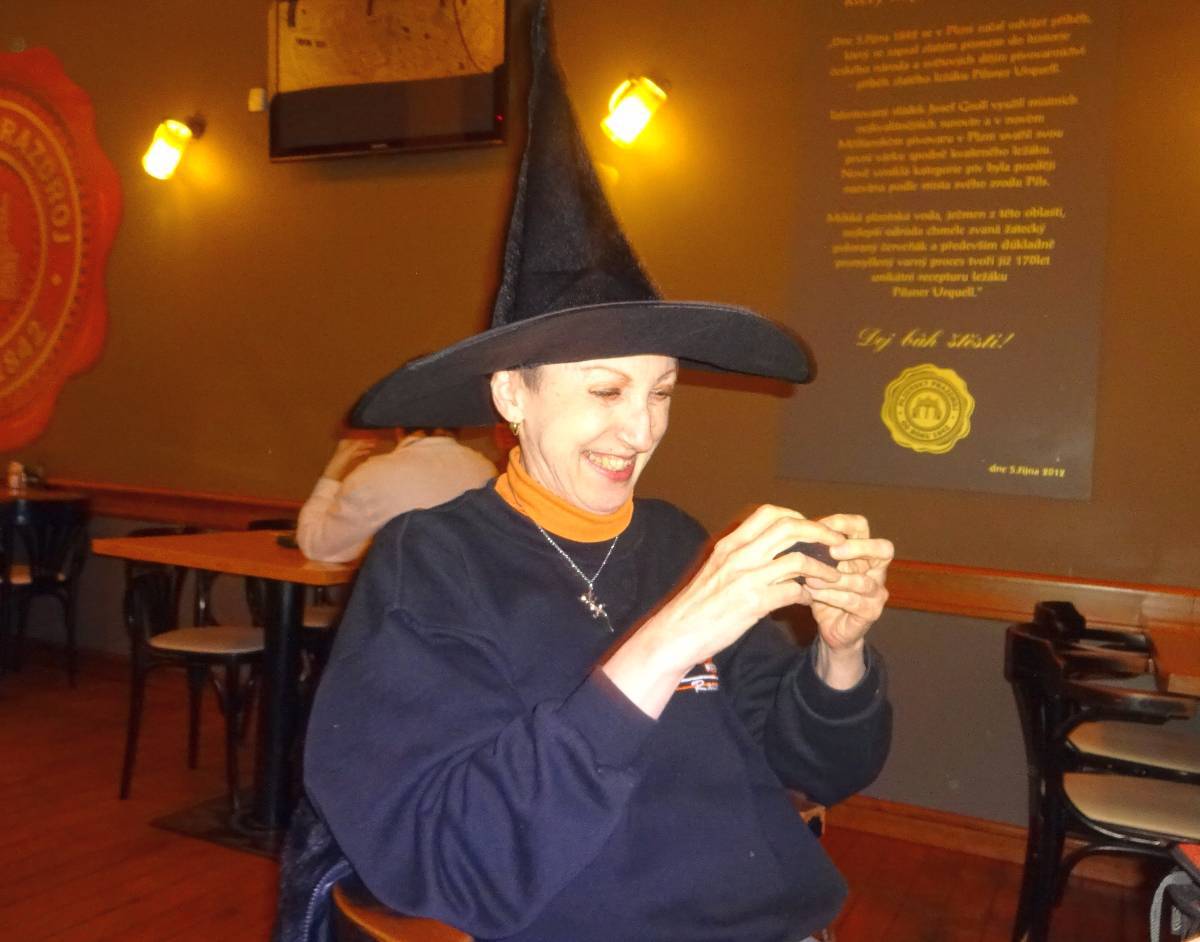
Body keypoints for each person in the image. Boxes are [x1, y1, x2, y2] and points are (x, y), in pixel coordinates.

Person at [297, 5, 893, 940]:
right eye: (607, 390)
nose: (641, 428)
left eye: (662, 392)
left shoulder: (677, 543)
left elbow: (822, 769)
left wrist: (840, 653)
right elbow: (446, 858)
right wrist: (666, 645)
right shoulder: (433, 562)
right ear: (513, 395)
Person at [295, 428, 497, 563]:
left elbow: (316, 546)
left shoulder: (375, 474)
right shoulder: (486, 469)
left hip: (406, 608)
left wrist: (331, 473)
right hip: (476, 607)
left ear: (398, 427)